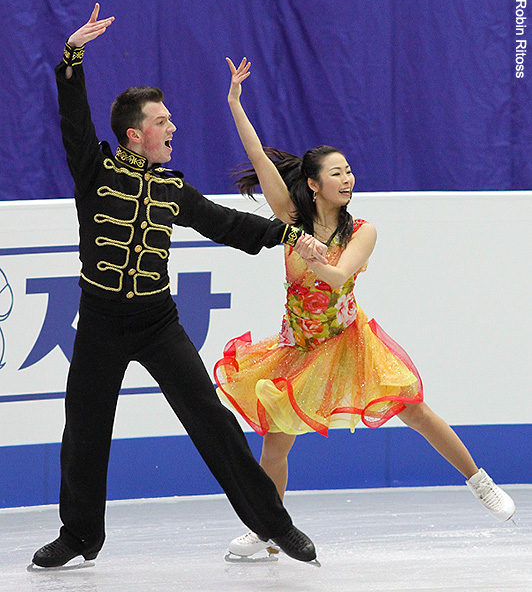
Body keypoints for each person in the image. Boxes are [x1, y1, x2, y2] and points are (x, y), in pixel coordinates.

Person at [31, 5, 327, 568]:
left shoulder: (173, 188)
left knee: (212, 423)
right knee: (85, 429)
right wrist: (72, 54)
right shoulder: (96, 170)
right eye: (162, 122)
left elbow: (228, 224)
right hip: (98, 321)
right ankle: (79, 536)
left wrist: (291, 236)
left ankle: (274, 525)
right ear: (134, 133)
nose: (173, 128)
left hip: (156, 321)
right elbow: (72, 115)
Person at [215, 57, 516, 559]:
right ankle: (267, 527)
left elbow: (337, 275)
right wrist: (234, 103)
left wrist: (313, 255)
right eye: (337, 172)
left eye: (350, 170)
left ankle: (479, 481)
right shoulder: (289, 218)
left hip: (350, 340)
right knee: (275, 441)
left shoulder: (362, 231)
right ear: (313, 184)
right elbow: (259, 158)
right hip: (299, 345)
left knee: (412, 407)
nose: (348, 178)